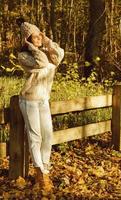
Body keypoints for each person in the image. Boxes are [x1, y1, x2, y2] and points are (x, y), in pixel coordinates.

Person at [16, 17, 64, 191]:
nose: (37, 38)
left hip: (43, 100)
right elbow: (42, 63)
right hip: (29, 100)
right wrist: (32, 47)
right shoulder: (24, 55)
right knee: (35, 137)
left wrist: (47, 41)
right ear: (27, 40)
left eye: (39, 35)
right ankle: (40, 174)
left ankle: (45, 167)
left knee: (48, 135)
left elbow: (59, 55)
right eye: (33, 37)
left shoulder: (47, 53)